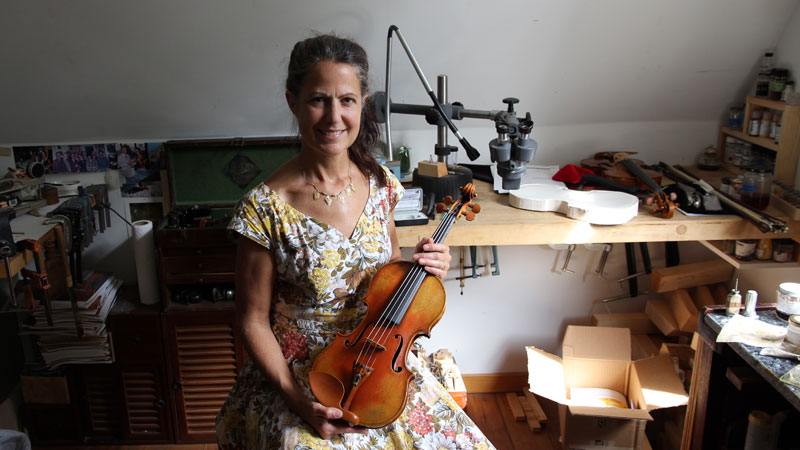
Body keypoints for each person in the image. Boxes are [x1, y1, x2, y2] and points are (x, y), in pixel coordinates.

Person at [216, 34, 494, 450]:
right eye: (317, 100)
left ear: (363, 103)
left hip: (381, 361)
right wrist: (297, 401)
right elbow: (252, 321)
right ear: (293, 102)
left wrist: (425, 268)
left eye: (346, 100)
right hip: (301, 376)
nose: (333, 116)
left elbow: (390, 278)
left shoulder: (381, 184)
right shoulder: (264, 209)